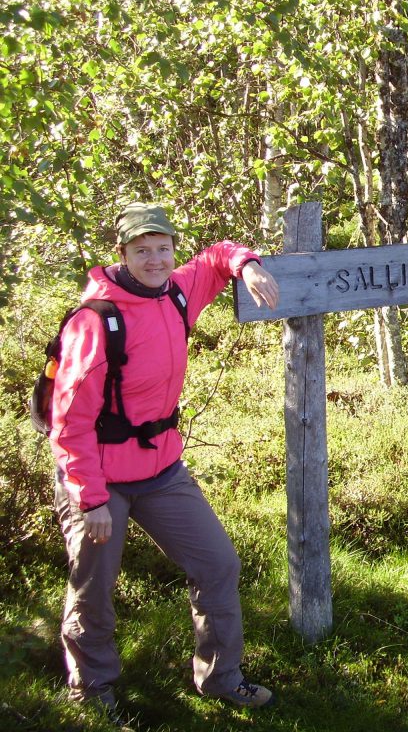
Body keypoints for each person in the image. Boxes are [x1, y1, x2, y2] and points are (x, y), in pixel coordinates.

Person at [49, 203, 281, 721]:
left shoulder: (177, 290)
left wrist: (248, 265)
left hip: (161, 470)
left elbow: (219, 256)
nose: (154, 259)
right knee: (94, 588)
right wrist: (90, 499)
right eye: (141, 250)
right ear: (123, 254)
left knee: (218, 564)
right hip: (98, 476)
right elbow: (69, 422)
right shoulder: (96, 321)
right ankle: (92, 691)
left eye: (162, 248)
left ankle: (222, 678)